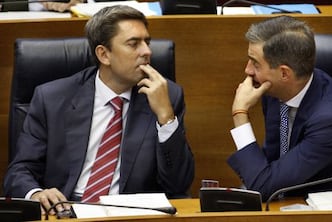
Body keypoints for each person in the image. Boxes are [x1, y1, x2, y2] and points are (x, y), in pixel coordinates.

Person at [3, 5, 194, 215]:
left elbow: (178, 184)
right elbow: (19, 171)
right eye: (134, 44)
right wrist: (36, 193)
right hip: (66, 210)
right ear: (104, 54)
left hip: (131, 214)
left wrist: (166, 117)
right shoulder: (52, 98)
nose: (147, 51)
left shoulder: (166, 97)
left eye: (146, 42)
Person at [227, 15, 332, 201]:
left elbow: (264, 187)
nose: (248, 71)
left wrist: (240, 114)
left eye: (255, 63)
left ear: (284, 73)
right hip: (289, 198)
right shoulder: (276, 92)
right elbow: (272, 163)